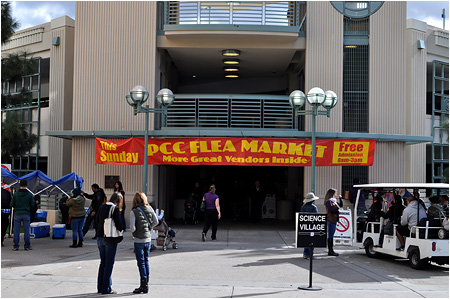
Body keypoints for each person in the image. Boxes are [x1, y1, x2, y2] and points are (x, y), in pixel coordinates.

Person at [130, 192, 159, 294]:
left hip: (138, 240)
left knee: (141, 262)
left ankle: (143, 285)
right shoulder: (150, 208)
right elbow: (156, 222)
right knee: (146, 261)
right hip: (148, 239)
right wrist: (149, 227)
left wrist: (135, 231)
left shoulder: (134, 211)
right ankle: (146, 282)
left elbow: (132, 228)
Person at [96, 192, 124, 294]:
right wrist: (121, 230)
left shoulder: (102, 206)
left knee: (102, 262)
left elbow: (97, 219)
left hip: (100, 236)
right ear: (118, 201)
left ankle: (100, 287)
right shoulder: (114, 208)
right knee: (109, 264)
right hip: (110, 238)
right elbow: (118, 223)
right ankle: (106, 289)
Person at [11, 179, 34, 251]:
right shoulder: (29, 195)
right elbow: (32, 205)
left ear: (20, 185)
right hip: (26, 213)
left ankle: (16, 246)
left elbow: (12, 204)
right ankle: (27, 246)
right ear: (26, 185)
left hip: (17, 213)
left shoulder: (16, 194)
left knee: (16, 231)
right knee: (26, 231)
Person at [324, 188, 343, 256]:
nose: (336, 195)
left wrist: (340, 198)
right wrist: (338, 211)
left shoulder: (334, 201)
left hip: (334, 219)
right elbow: (331, 210)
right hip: (331, 219)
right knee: (330, 235)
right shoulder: (329, 201)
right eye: (335, 193)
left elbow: (340, 205)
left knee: (331, 234)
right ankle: (330, 250)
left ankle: (331, 250)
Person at [301, 192, 319, 259]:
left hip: (305, 225)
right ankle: (310, 254)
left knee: (306, 239)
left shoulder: (303, 206)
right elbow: (316, 217)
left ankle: (305, 253)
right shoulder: (313, 207)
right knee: (311, 241)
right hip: (312, 225)